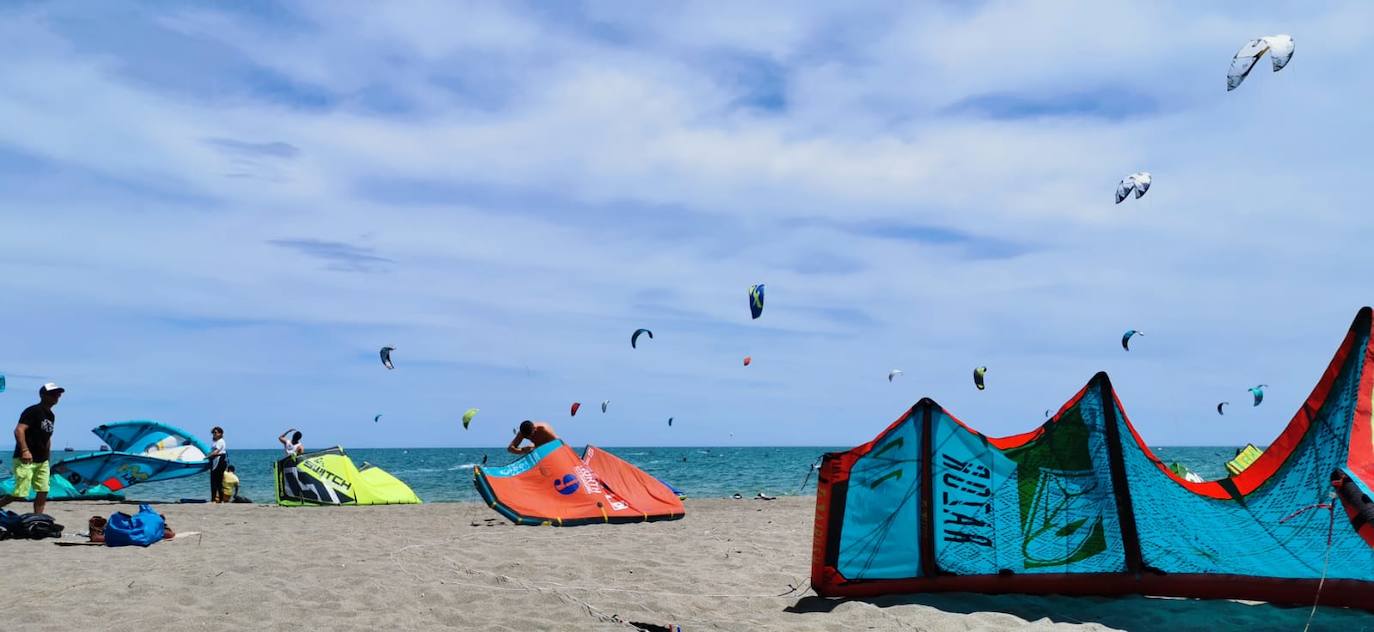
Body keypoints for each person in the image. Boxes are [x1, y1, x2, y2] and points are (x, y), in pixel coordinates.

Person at [0, 383, 64, 515]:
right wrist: (25, 450)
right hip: (26, 459)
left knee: (43, 490)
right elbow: (19, 430)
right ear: (43, 395)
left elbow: (47, 438)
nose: (56, 397)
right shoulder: (33, 410)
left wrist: (48, 460)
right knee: (20, 493)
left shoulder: (51, 415)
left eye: (58, 394)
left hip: (42, 460)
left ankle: (38, 518)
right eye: (53, 394)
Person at [208, 426, 227, 502]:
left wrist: (207, 457)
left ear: (220, 433)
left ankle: (220, 499)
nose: (214, 434)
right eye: (213, 433)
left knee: (218, 481)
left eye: (215, 432)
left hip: (219, 461)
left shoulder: (220, 441)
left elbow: (216, 451)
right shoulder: (216, 442)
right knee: (214, 481)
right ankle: (214, 499)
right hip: (215, 461)